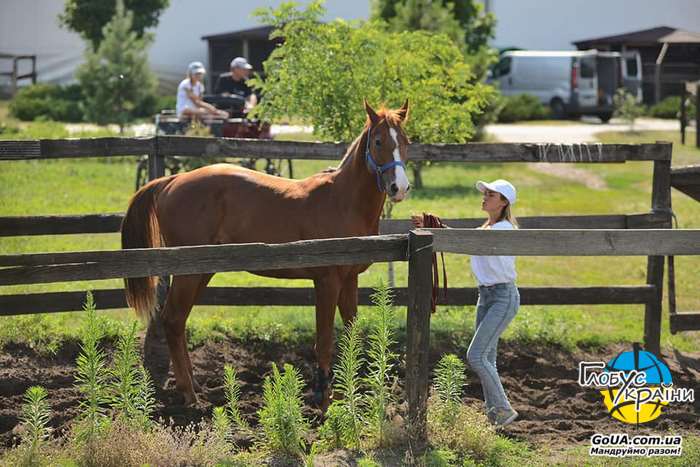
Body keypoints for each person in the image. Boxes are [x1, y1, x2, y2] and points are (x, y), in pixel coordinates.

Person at [411, 179, 520, 427]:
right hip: (487, 296)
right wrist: (432, 228)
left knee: (477, 355)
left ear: (503, 202)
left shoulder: (503, 229)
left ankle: (503, 408)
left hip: (503, 297)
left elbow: (469, 242)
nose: (485, 197)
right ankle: (495, 416)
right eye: (485, 194)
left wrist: (438, 230)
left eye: (491, 195)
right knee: (486, 358)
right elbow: (466, 240)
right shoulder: (487, 229)